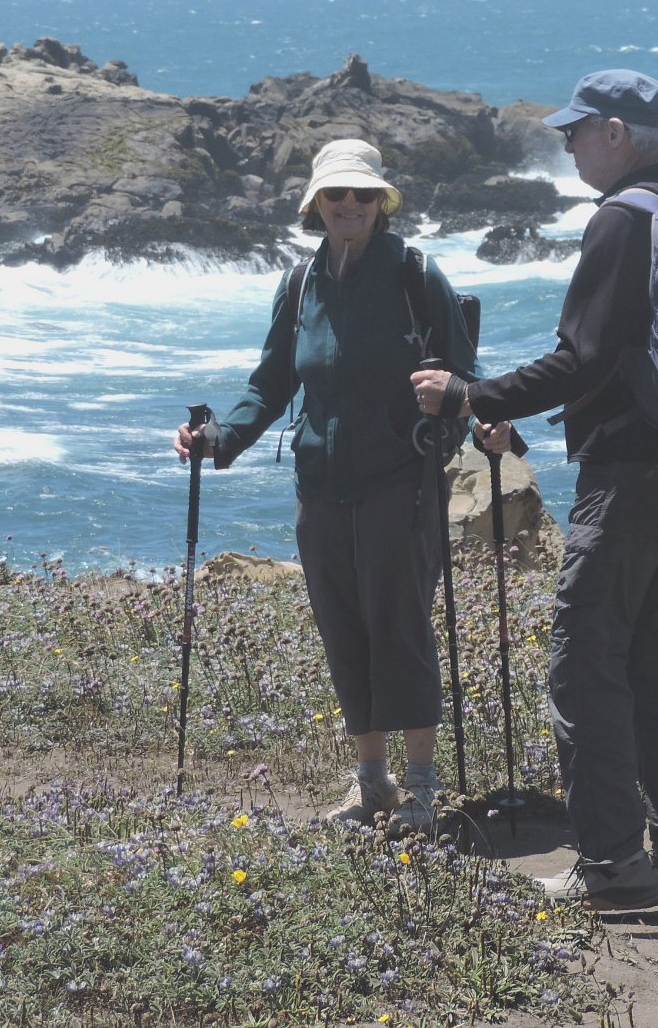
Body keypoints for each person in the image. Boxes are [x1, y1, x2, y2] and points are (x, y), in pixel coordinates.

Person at [412, 68, 658, 912]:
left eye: (576, 132)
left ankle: (612, 866)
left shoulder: (621, 221)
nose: (568, 147)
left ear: (616, 134)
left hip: (628, 480)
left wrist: (470, 395)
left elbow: (581, 360)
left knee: (586, 667)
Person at [175, 137, 474, 829]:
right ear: (316, 204)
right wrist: (219, 438)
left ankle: (421, 788)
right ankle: (373, 784)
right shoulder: (300, 283)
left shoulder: (415, 275)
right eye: (336, 193)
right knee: (344, 630)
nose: (350, 204)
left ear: (381, 203)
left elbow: (466, 377)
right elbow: (271, 383)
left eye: (363, 194)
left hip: (401, 483)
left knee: (400, 628)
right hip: (321, 488)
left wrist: (450, 435)